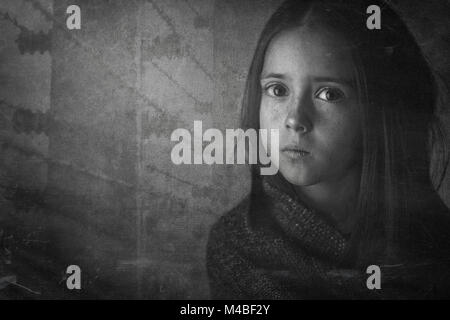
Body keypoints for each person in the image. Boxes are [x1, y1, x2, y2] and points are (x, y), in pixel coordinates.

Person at [206, 0, 450, 299]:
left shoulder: (436, 245)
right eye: (277, 90)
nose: (295, 120)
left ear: (379, 111)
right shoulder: (237, 248)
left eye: (329, 94)